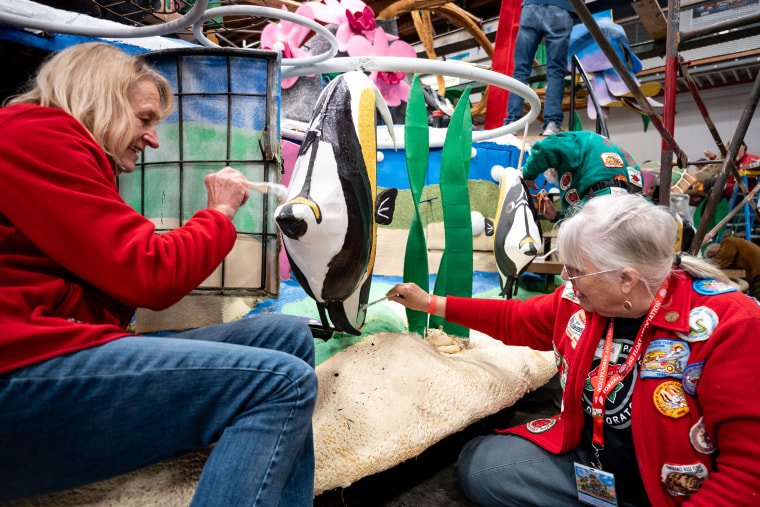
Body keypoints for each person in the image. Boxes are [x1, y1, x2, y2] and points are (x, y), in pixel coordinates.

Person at [0, 42, 317, 505]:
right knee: (283, 380)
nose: (153, 139)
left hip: (49, 350)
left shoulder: (56, 154)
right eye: (145, 119)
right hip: (17, 370)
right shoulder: (34, 135)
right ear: (98, 99)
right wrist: (220, 212)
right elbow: (150, 273)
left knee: (288, 336)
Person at [386, 194, 760, 506]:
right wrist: (431, 303)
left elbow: (748, 472)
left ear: (626, 278)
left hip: (671, 493)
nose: (565, 278)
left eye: (575, 270)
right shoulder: (578, 301)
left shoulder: (731, 324)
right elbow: (516, 318)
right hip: (591, 464)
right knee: (481, 465)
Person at [523, 131, 643, 221]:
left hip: (606, 206)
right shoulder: (609, 153)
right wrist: (556, 216)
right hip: (639, 208)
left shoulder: (577, 141)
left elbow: (546, 148)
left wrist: (528, 175)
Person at [504, 0, 575, 136]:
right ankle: (551, 124)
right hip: (561, 8)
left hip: (531, 8)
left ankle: (512, 123)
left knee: (521, 70)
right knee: (555, 72)